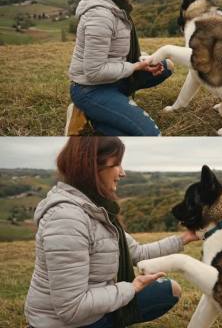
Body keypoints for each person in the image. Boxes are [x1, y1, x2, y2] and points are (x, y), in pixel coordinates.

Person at [24, 137, 199, 328]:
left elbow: (137, 253)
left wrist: (185, 238)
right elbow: (71, 308)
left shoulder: (97, 210)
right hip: (65, 323)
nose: (122, 173)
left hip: (97, 306)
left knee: (170, 290)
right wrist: (131, 288)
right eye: (117, 164)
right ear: (92, 168)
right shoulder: (67, 219)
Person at [66, 0, 174, 136]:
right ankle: (88, 110)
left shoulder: (115, 7)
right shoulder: (100, 16)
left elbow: (119, 53)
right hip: (91, 89)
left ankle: (100, 112)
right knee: (152, 135)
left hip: (115, 79)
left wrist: (144, 62)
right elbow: (94, 72)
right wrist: (134, 67)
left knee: (167, 66)